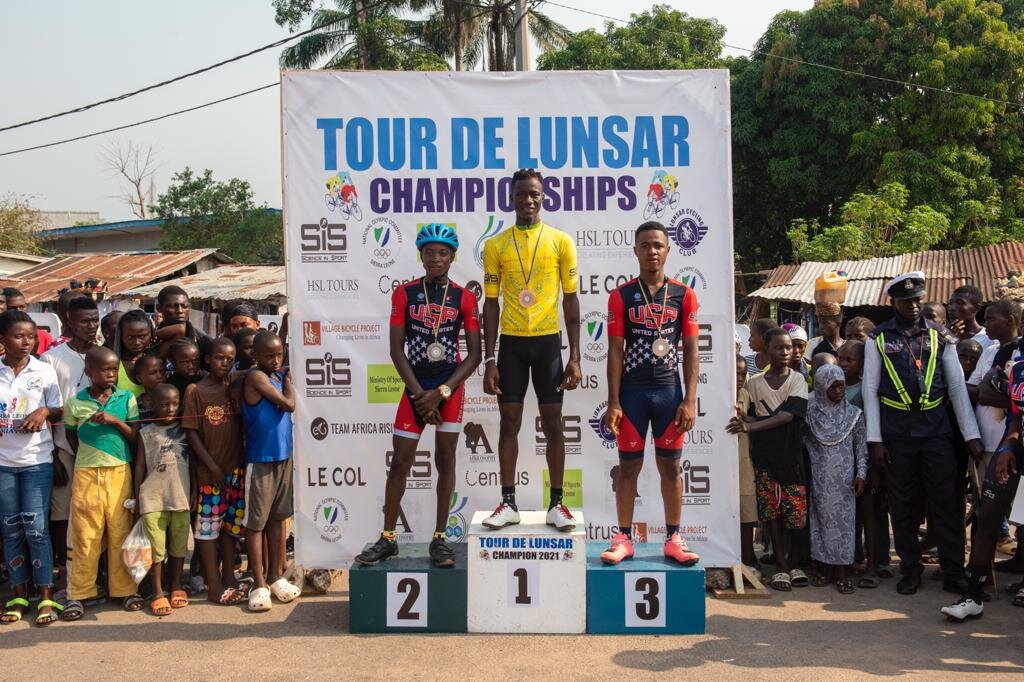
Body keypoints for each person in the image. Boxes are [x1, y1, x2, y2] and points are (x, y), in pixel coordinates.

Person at [355, 224, 481, 567]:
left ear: (452, 257)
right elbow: (396, 350)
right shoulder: (405, 293)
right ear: (421, 256)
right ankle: (388, 538)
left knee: (446, 460)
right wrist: (420, 396)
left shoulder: (465, 297)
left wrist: (441, 393)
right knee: (400, 462)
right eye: (429, 253)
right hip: (415, 387)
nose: (435, 258)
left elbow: (474, 355)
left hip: (449, 387)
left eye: (442, 253)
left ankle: (440, 539)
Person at [862, 272, 983, 596]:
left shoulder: (942, 335)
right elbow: (870, 390)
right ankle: (911, 569)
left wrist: (970, 435)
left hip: (936, 432)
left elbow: (956, 386)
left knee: (946, 503)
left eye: (917, 300)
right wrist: (875, 440)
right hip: (896, 434)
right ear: (893, 302)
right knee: (903, 505)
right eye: (906, 301)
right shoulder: (878, 338)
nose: (913, 306)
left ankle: (954, 571)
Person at [481, 168, 581, 530]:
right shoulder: (495, 246)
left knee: (553, 423)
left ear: (543, 197)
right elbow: (490, 304)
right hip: (511, 344)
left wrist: (575, 356)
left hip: (548, 344)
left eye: (534, 194)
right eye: (521, 194)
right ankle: (508, 502)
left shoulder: (560, 241)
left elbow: (571, 300)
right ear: (511, 198)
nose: (528, 200)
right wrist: (489, 358)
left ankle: (557, 503)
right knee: (509, 423)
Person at [599, 221, 700, 566]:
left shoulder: (684, 294)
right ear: (636, 251)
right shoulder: (621, 295)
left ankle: (673, 538)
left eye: (658, 245)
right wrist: (614, 401)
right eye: (645, 245)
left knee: (671, 468)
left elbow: (691, 350)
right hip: (633, 394)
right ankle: (623, 538)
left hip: (669, 392)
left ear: (668, 250)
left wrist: (689, 399)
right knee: (628, 467)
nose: (652, 251)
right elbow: (615, 351)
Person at [942, 339, 1024, 621]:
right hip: (1014, 447)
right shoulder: (1018, 367)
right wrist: (1009, 445)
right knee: (988, 515)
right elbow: (1016, 415)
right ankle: (972, 596)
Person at [61, 346, 140, 621]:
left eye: (114, 370)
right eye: (104, 370)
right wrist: (87, 455)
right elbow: (71, 436)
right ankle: (79, 593)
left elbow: (134, 435)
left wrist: (114, 420)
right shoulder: (75, 403)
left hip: (119, 470)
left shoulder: (126, 398)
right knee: (85, 535)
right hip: (87, 473)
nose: (111, 374)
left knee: (121, 531)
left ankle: (125, 589)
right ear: (89, 372)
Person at [727, 328, 809, 591]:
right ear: (766, 349)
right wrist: (744, 419)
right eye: (778, 348)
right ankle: (782, 568)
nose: (785, 352)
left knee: (795, 516)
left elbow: (787, 416)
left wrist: (750, 426)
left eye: (788, 347)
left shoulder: (797, 380)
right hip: (764, 460)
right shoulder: (754, 383)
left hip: (791, 457)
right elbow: (750, 415)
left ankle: (794, 563)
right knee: (771, 514)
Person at [0, 311, 64, 626]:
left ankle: (46, 595)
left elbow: (58, 408)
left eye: (31, 336)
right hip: (3, 463)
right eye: (18, 336)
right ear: (2, 339)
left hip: (36, 461)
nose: (26, 342)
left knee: (37, 529)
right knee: (10, 529)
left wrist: (43, 412)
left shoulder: (44, 370)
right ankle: (18, 595)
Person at [41, 296, 100, 594]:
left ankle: (96, 573)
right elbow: (45, 408)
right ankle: (65, 572)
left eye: (94, 320)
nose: (91, 326)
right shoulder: (51, 358)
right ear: (69, 321)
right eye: (85, 321)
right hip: (63, 448)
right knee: (63, 515)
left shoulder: (103, 356)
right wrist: (53, 456)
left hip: (97, 450)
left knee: (95, 512)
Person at [183, 338, 247, 604]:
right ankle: (213, 584)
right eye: (220, 358)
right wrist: (211, 466)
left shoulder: (234, 384)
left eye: (230, 359)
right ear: (208, 359)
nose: (225, 363)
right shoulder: (195, 391)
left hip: (235, 471)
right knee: (208, 529)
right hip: (211, 474)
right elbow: (191, 433)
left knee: (231, 528)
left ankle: (229, 576)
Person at [241, 331, 300, 611]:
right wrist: (288, 382)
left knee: (277, 518)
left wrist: (284, 374)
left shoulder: (274, 375)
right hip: (261, 459)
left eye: (279, 355)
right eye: (269, 355)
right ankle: (259, 583)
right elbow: (289, 405)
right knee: (256, 523)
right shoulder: (257, 377)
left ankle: (276, 577)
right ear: (255, 355)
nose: (276, 360)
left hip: (283, 457)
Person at [804, 364, 867, 594]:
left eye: (842, 386)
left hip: (845, 481)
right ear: (822, 387)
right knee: (820, 521)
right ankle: (825, 568)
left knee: (844, 524)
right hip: (820, 479)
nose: (839, 391)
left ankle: (842, 571)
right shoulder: (810, 414)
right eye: (833, 387)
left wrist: (861, 474)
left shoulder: (853, 414)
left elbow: (861, 447)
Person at [966, 299, 1023, 556]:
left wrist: (996, 394)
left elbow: (997, 397)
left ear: (1011, 320)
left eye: (991, 319)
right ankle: (983, 568)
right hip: (986, 440)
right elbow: (977, 390)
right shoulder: (990, 352)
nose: (985, 324)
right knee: (986, 508)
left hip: (1012, 442)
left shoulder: (1018, 353)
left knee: (1019, 510)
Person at [134, 383, 191, 616]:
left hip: (181, 496)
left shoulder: (186, 429)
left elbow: (193, 464)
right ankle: (158, 592)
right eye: (164, 404)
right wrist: (137, 496)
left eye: (175, 404)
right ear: (152, 405)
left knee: (179, 545)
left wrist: (195, 491)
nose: (170, 409)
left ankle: (176, 585)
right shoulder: (145, 432)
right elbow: (139, 466)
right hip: (152, 498)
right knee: (156, 549)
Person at [735, 355, 759, 572]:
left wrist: (743, 418)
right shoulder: (717, 393)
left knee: (747, 513)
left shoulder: (746, 394)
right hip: (723, 465)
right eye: (736, 373)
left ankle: (749, 556)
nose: (740, 378)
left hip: (744, 462)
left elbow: (755, 420)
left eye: (743, 374)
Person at [152, 286, 211, 359]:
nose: (180, 311)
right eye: (173, 306)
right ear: (159, 308)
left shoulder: (204, 342)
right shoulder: (148, 339)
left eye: (184, 306)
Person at [113, 309, 154, 397]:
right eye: (130, 337)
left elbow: (180, 329)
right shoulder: (113, 365)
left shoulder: (155, 360)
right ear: (121, 336)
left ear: (151, 334)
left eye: (142, 336)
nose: (137, 342)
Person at [4, 287, 54, 355]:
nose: (19, 311)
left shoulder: (43, 336)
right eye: (12, 308)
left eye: (22, 307)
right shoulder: (2, 337)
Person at [134, 354, 169, 421]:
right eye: (153, 373)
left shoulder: (173, 399)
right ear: (139, 378)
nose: (160, 376)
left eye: (162, 372)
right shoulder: (135, 405)